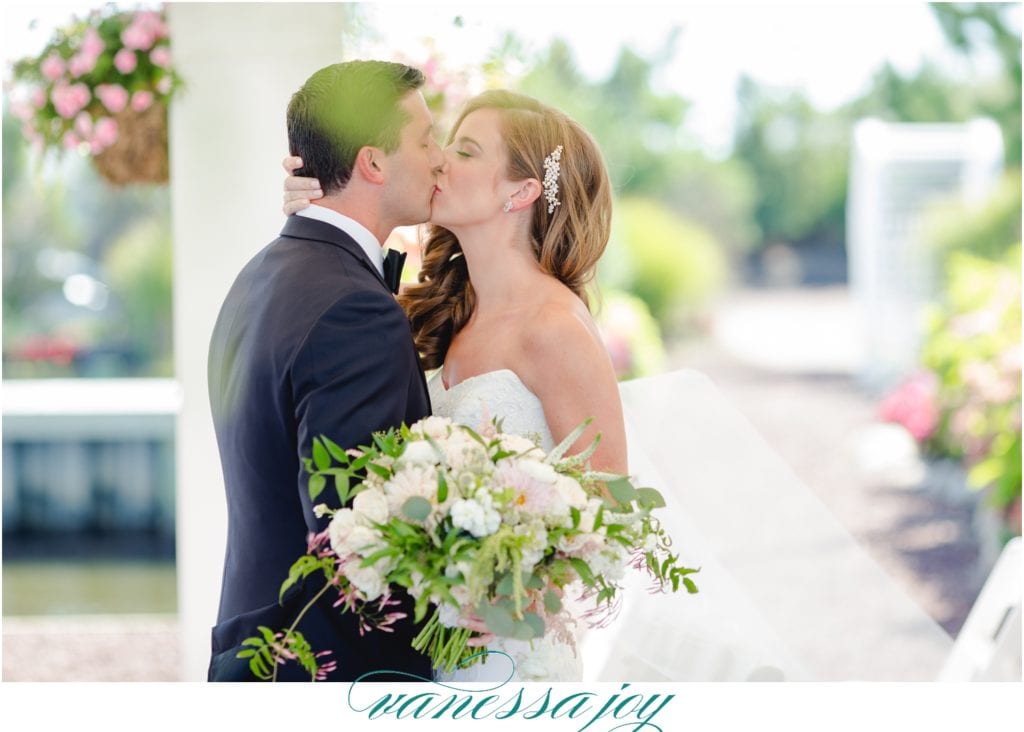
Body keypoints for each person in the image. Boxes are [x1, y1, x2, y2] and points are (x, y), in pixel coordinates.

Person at [282, 89, 626, 681]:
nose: (439, 159)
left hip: (514, 660)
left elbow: (613, 516)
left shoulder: (555, 328)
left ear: (520, 192)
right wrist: (316, 212)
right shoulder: (442, 312)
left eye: (465, 150)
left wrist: (519, 596)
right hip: (436, 655)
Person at [207, 59, 444, 682]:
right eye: (426, 140)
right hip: (326, 671)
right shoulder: (354, 309)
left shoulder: (259, 275)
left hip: (253, 648)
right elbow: (353, 537)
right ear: (372, 162)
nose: (439, 158)